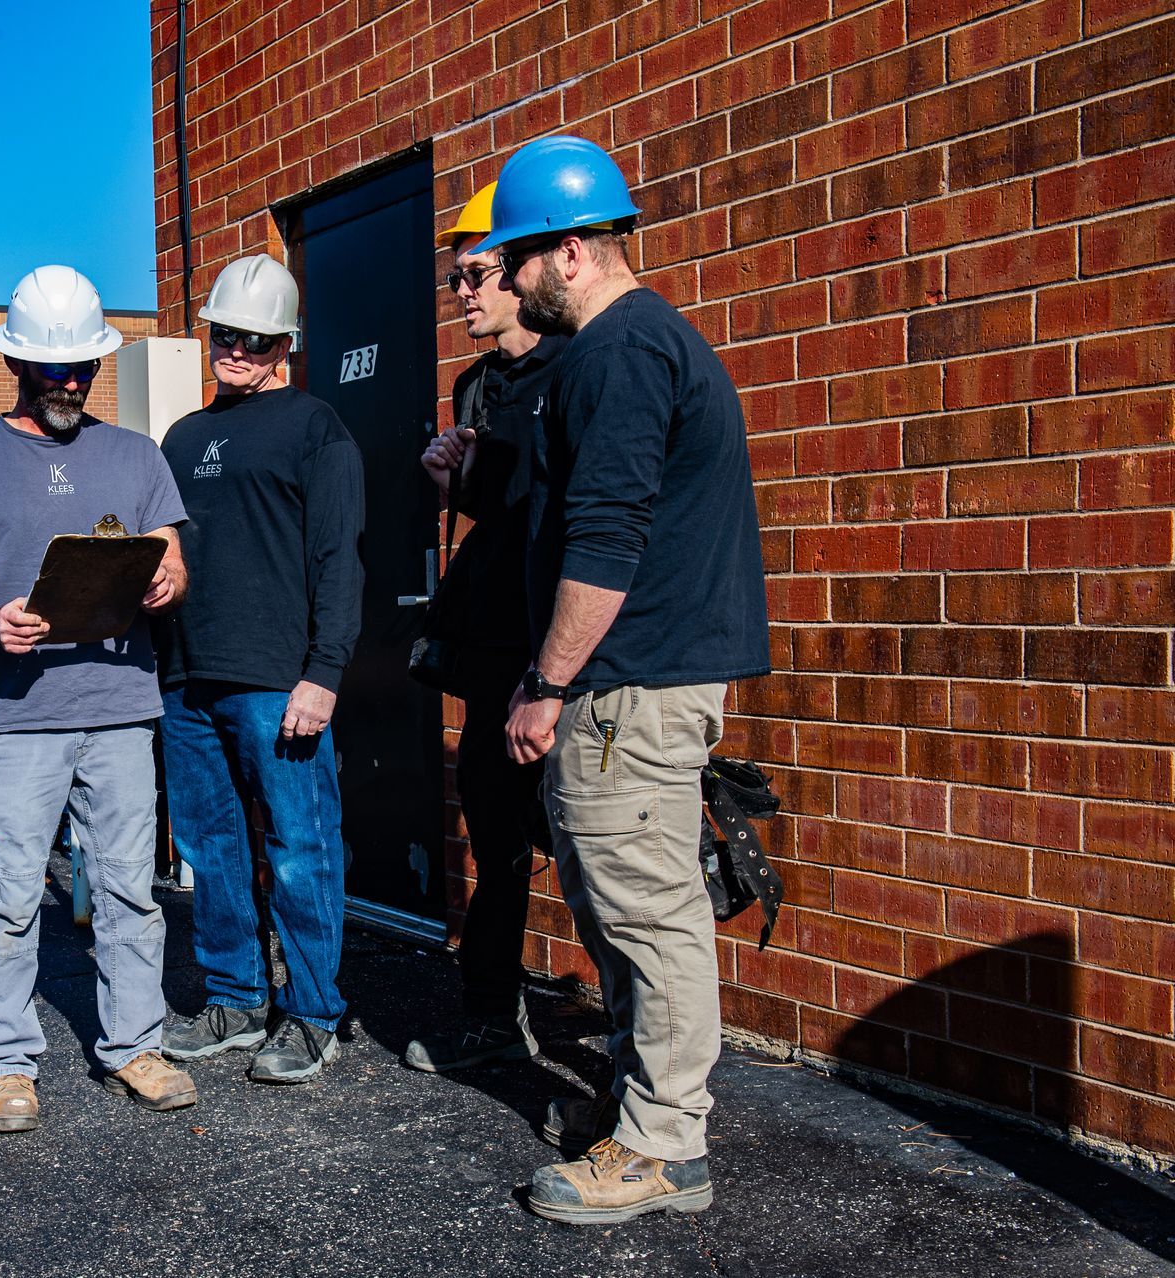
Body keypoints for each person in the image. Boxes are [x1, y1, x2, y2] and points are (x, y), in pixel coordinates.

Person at [477, 137, 769, 1224]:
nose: (503, 284)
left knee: (650, 913)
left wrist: (546, 683)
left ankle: (661, 1148)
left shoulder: (623, 352)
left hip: (629, 683)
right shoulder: (624, 351)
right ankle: (644, 1105)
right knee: (622, 905)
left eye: (513, 263)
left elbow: (607, 537)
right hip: (629, 680)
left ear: (569, 253)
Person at [0, 264, 197, 1134]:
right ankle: (4, 1061)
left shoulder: (135, 457)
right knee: (7, 893)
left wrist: (165, 584)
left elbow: (174, 561)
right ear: (16, 366)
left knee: (128, 892)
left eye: (83, 369)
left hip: (119, 709)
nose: (71, 384)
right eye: (54, 371)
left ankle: (134, 1046)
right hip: (19, 719)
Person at [154, 254, 366, 1084]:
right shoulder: (183, 437)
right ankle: (236, 999)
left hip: (281, 680)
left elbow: (339, 562)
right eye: (224, 334)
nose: (235, 350)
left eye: (254, 338)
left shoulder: (318, 428)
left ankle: (313, 1014)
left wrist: (324, 673)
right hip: (186, 678)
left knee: (301, 849)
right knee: (210, 847)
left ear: (286, 343)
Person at [403, 182, 568, 1073]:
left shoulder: (576, 364)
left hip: (566, 650)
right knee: (499, 844)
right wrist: (449, 482)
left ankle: (631, 1052)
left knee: (589, 854)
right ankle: (490, 1018)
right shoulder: (472, 384)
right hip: (495, 644)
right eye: (453, 277)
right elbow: (492, 513)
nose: (461, 292)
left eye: (475, 273)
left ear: (521, 271)